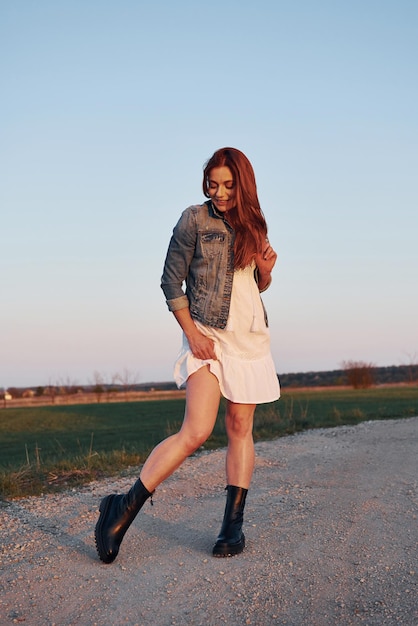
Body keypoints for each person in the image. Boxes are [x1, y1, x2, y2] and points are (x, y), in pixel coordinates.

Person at [95, 147, 280, 564]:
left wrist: (267, 271)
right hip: (208, 337)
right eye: (213, 184)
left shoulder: (255, 223)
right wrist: (192, 335)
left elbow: (254, 285)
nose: (219, 192)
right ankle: (121, 510)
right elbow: (169, 282)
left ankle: (232, 526)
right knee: (195, 431)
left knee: (239, 424)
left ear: (243, 183)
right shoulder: (194, 219)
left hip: (249, 338)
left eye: (228, 185)